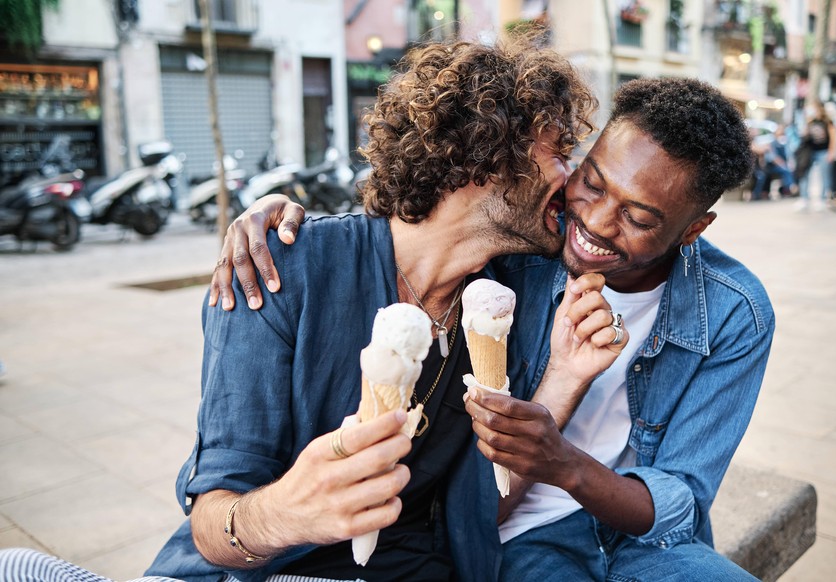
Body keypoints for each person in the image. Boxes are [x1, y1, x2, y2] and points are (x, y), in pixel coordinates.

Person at [0, 37, 619, 582]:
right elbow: (215, 523)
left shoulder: (516, 293)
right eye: (559, 150)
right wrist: (288, 511)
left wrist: (564, 378)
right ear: (485, 153)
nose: (573, 177)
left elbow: (487, 506)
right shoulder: (282, 268)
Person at [213, 78, 773, 580]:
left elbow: (682, 500)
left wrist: (564, 459)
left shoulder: (730, 311)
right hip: (519, 538)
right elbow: (423, 220)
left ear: (693, 228)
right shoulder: (518, 260)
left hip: (641, 541)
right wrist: (272, 218)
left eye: (641, 217)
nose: (594, 222)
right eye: (589, 179)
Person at [795, 101, 836, 212]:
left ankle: (823, 199)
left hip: (823, 151)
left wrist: (831, 152)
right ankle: (804, 198)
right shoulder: (810, 121)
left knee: (825, 176)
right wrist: (806, 122)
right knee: (804, 174)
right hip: (810, 152)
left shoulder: (827, 121)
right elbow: (804, 135)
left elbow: (833, 137)